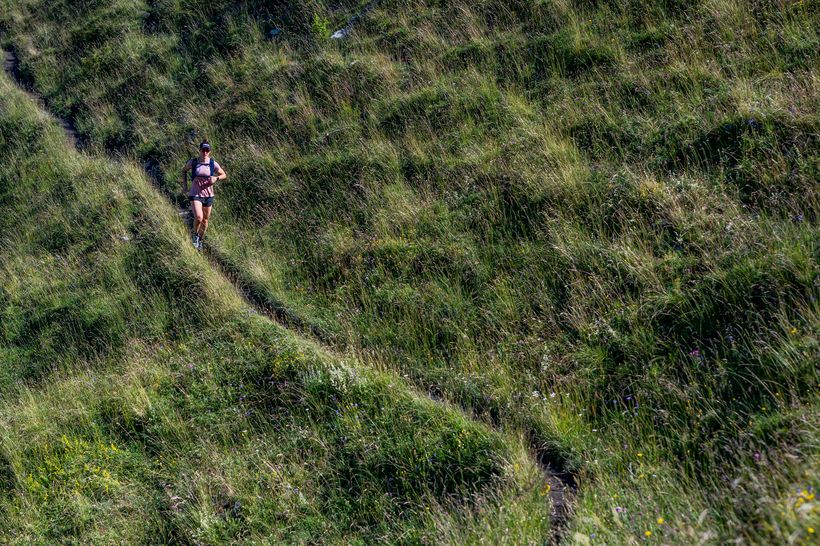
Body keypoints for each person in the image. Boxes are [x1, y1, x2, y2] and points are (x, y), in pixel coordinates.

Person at [180, 140, 227, 249]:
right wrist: (185, 186)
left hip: (209, 195)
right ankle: (195, 236)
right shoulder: (194, 162)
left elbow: (224, 174)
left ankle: (200, 240)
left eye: (207, 150)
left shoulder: (212, 163)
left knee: (205, 220)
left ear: (209, 151)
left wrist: (216, 178)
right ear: (199, 150)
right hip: (195, 193)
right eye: (203, 150)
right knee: (199, 217)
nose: (205, 152)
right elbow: (184, 170)